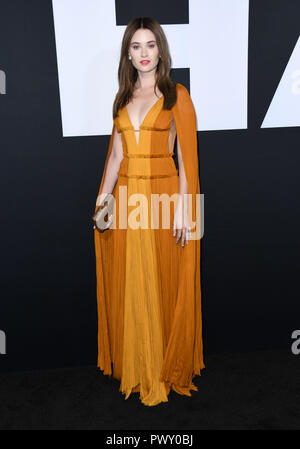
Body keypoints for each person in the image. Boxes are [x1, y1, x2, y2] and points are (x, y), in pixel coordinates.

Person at [93, 17, 205, 407]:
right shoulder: (122, 99)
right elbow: (115, 158)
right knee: (134, 280)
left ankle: (162, 366)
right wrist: (102, 203)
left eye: (150, 45)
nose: (144, 53)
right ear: (128, 53)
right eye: (136, 46)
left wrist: (184, 209)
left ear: (161, 49)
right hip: (126, 199)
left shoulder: (177, 95)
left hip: (163, 199)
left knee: (163, 279)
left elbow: (188, 160)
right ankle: (138, 365)